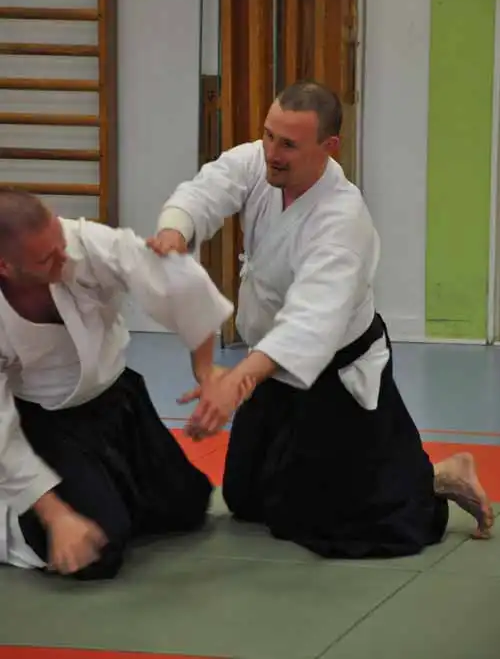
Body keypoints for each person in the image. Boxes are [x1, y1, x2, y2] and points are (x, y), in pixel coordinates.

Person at [148, 79, 494, 559]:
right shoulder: (259, 162)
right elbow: (207, 190)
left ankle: (437, 477)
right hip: (270, 369)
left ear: (329, 147)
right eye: (269, 135)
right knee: (247, 499)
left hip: (333, 372)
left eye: (288, 143)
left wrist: (236, 382)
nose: (272, 151)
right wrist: (175, 231)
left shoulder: (342, 219)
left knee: (345, 522)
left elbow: (310, 322)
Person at [0, 188, 251, 580]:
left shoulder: (83, 243)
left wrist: (206, 371)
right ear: (5, 267)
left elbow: (179, 281)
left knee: (186, 507)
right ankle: (14, 519)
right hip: (45, 422)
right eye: (45, 258)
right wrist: (56, 516)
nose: (63, 257)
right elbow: (2, 432)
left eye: (59, 242)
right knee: (98, 553)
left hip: (117, 400)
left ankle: (103, 494)